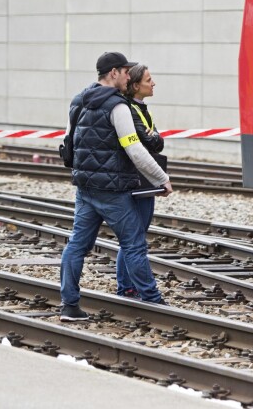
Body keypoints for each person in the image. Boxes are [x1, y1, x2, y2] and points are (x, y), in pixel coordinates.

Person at [59, 51, 173, 322]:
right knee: (134, 245)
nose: (127, 77)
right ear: (113, 73)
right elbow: (134, 149)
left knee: (76, 245)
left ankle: (69, 306)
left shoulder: (78, 101)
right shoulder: (118, 107)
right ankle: (152, 300)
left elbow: (67, 142)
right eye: (124, 72)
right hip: (114, 191)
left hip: (85, 189)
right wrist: (162, 179)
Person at [116, 63, 167, 299]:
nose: (153, 83)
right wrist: (152, 137)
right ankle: (127, 286)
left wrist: (153, 137)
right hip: (138, 180)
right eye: (149, 80)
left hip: (144, 180)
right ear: (136, 85)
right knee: (134, 237)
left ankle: (127, 284)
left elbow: (157, 141)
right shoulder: (129, 108)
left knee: (136, 234)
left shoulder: (142, 108)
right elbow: (148, 142)